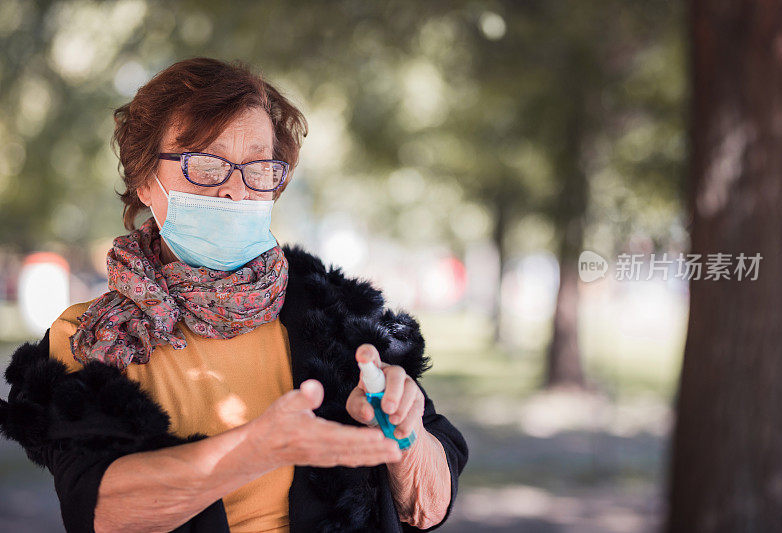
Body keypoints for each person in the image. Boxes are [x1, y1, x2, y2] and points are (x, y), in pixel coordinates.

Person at [0, 57, 468, 533]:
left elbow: (426, 510)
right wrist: (252, 452)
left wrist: (406, 438)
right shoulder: (93, 337)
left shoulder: (336, 316)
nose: (235, 191)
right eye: (205, 164)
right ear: (144, 181)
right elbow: (100, 512)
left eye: (259, 167)